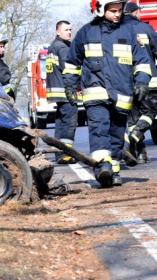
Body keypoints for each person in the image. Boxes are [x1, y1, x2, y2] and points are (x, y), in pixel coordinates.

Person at [64, 0, 152, 187]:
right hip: (95, 92)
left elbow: (142, 61)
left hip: (122, 93)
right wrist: (70, 86)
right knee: (99, 129)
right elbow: (72, 62)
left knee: (117, 134)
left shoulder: (130, 32)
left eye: (119, 10)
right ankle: (102, 167)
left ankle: (115, 171)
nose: (117, 14)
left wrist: (142, 82)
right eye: (112, 11)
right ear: (99, 10)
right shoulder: (86, 32)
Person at [122, 1, 156, 165]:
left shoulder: (118, 31)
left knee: (133, 117)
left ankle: (139, 154)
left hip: (127, 82)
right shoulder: (146, 28)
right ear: (136, 13)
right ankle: (134, 138)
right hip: (148, 80)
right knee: (150, 112)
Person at [47, 21, 80, 164]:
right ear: (58, 32)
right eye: (66, 30)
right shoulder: (62, 48)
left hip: (57, 91)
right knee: (69, 121)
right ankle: (65, 153)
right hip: (65, 91)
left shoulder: (53, 47)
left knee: (60, 122)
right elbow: (70, 70)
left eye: (70, 29)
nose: (69, 32)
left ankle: (58, 153)